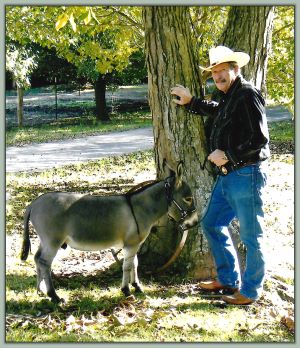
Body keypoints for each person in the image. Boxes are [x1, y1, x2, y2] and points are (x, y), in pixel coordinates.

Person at [171, 46, 270, 305]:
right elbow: (217, 110)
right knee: (212, 223)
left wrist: (228, 154)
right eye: (214, 72)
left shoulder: (247, 94)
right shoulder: (228, 96)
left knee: (251, 236)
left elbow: (259, 139)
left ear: (235, 70)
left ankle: (250, 292)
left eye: (222, 71)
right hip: (228, 177)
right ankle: (228, 280)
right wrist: (192, 102)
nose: (217, 77)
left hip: (246, 173)